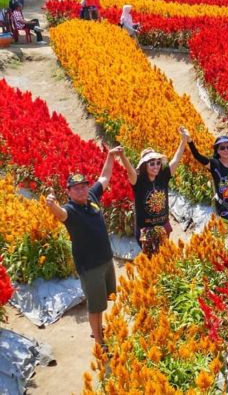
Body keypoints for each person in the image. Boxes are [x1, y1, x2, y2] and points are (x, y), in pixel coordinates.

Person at [44, 147, 124, 346]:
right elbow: (60, 214)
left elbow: (105, 177)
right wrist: (52, 205)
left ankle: (97, 330)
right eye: (76, 187)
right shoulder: (70, 210)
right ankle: (100, 342)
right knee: (95, 308)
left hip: (106, 261)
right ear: (69, 192)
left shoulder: (92, 198)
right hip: (91, 268)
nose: (81, 189)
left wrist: (110, 155)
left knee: (103, 301)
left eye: (83, 186)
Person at [119, 128, 189, 254]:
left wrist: (183, 140)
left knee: (164, 255)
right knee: (152, 260)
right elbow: (130, 171)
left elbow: (176, 160)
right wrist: (122, 155)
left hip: (163, 226)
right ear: (144, 166)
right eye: (152, 164)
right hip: (146, 230)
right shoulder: (138, 181)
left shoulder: (163, 176)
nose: (156, 166)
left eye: (158, 163)